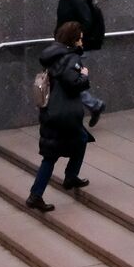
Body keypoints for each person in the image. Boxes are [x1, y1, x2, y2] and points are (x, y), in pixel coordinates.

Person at [27, 21, 94, 212]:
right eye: (80, 37)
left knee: (77, 140)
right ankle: (37, 194)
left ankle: (69, 177)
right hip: (63, 114)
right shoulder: (71, 59)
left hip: (51, 112)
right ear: (74, 39)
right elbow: (73, 83)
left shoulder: (54, 55)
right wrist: (84, 75)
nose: (83, 41)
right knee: (53, 155)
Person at [46, 0, 105, 125]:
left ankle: (93, 106)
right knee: (68, 80)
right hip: (67, 46)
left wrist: (76, 45)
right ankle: (94, 106)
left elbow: (86, 22)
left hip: (77, 48)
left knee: (70, 81)